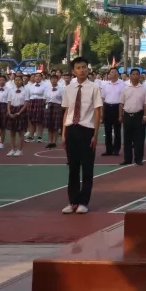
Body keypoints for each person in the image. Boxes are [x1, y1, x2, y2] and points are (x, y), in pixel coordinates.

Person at [61, 56, 103, 215]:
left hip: (87, 129)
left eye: (84, 67)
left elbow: (97, 111)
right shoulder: (69, 88)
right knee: (73, 167)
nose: (81, 70)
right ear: (73, 71)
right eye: (78, 68)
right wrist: (64, 133)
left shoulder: (94, 87)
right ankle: (73, 201)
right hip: (71, 128)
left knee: (87, 167)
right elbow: (67, 110)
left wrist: (95, 134)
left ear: (88, 68)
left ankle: (84, 202)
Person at [119, 69, 146, 166]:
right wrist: (120, 115)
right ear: (130, 76)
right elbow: (121, 103)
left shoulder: (144, 89)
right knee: (127, 139)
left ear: (140, 76)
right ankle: (127, 159)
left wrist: (145, 115)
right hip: (127, 115)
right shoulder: (125, 88)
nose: (135, 76)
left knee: (139, 139)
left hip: (139, 116)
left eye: (137, 74)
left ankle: (138, 159)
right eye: (133, 74)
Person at [100, 69, 124, 157]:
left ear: (118, 74)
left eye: (115, 72)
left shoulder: (122, 84)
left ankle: (116, 149)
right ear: (109, 74)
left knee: (117, 130)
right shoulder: (105, 85)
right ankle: (108, 150)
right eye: (111, 72)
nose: (113, 74)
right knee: (107, 130)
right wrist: (102, 111)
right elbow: (102, 98)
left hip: (117, 107)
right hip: (107, 107)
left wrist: (121, 113)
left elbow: (123, 99)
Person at [6, 74, 29, 157]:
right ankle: (13, 149)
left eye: (19, 80)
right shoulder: (11, 91)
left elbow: (26, 103)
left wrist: (19, 112)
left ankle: (20, 150)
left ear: (22, 81)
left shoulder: (25, 91)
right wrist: (9, 112)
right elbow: (9, 102)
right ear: (14, 81)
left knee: (20, 132)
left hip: (21, 110)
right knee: (12, 132)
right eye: (16, 80)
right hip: (12, 110)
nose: (17, 81)